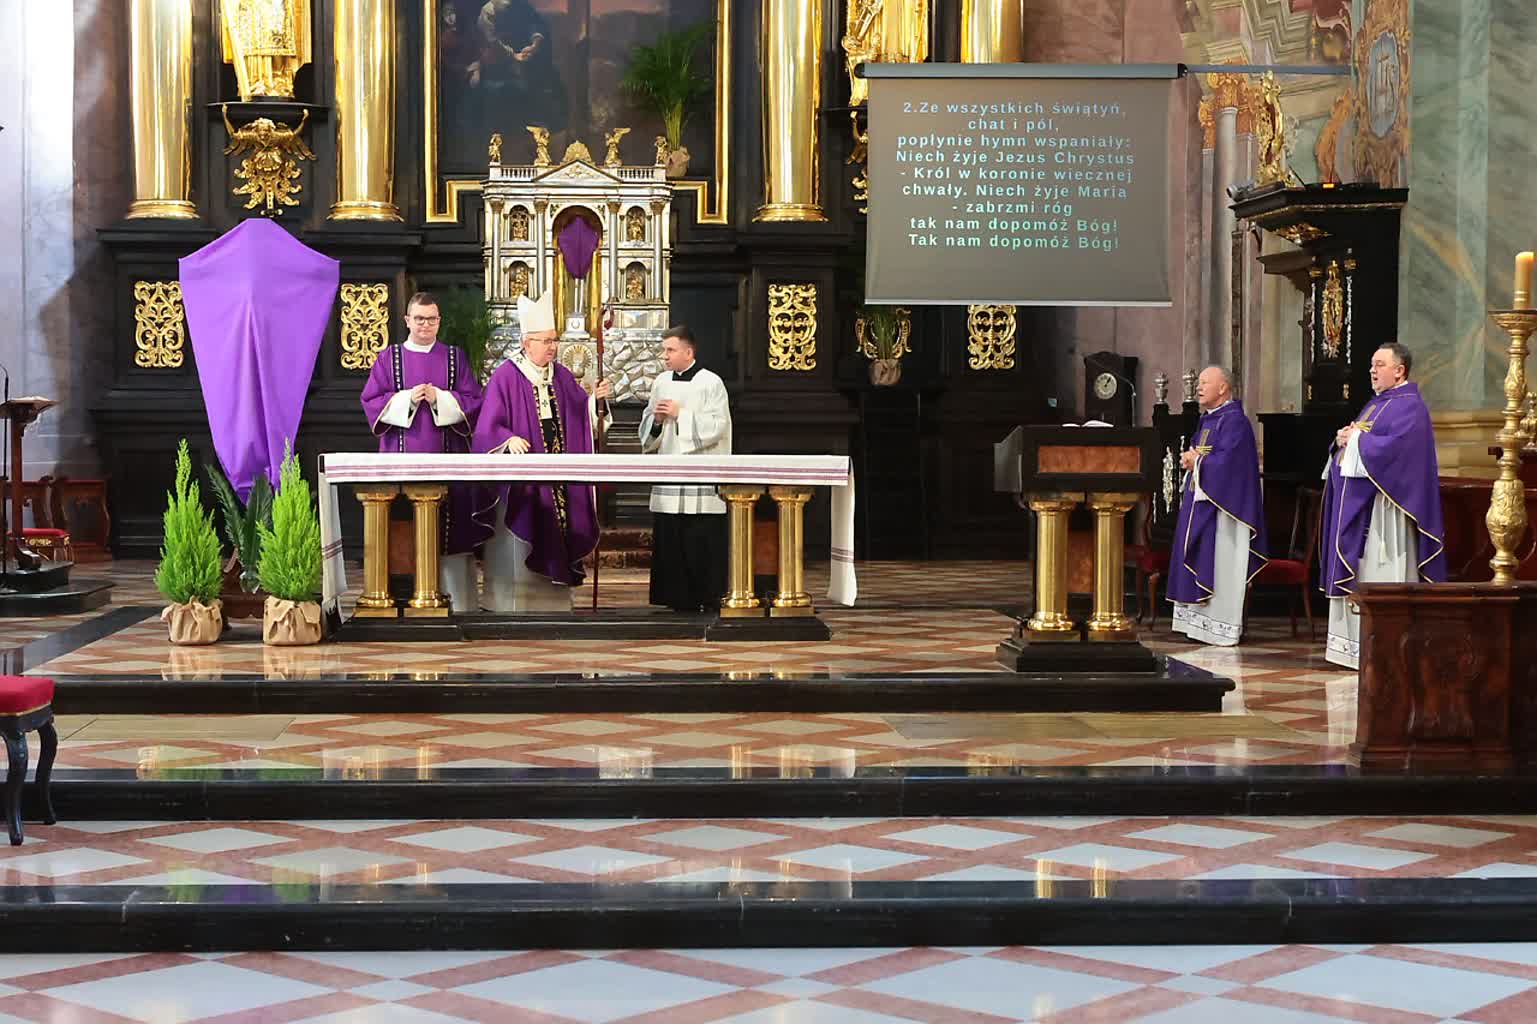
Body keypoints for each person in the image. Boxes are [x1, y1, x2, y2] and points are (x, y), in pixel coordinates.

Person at [472, 290, 610, 612]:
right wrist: (507, 439)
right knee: (523, 531)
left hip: (557, 477)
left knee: (557, 531)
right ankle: (511, 602)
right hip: (522, 478)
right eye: (546, 341)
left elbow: (580, 414)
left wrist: (596, 401)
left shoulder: (560, 375)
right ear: (526, 343)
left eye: (554, 340)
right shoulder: (506, 375)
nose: (553, 346)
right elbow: (487, 426)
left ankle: (554, 601)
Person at [1320, 341, 1446, 668]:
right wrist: (1342, 440)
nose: (1372, 371)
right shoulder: (1376, 405)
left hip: (1386, 511)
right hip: (1364, 506)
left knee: (1381, 570)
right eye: (1372, 365)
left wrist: (1357, 440)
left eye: (1380, 365)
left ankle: (1386, 647)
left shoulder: (1410, 407)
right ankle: (1352, 647)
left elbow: (1398, 452)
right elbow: (1361, 441)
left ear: (1399, 370)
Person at [359, 291, 484, 613]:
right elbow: (370, 400)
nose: (425, 325)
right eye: (419, 319)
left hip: (448, 457)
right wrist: (406, 399)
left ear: (439, 321)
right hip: (400, 459)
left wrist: (441, 398)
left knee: (449, 525)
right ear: (407, 320)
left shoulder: (454, 357)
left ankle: (456, 599)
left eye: (431, 319)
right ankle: (400, 593)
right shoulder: (389, 358)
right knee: (401, 523)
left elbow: (474, 400)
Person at [1167, 366, 1268, 645]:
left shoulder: (1235, 422)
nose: (1198, 388)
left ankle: (1220, 628)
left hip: (1225, 512)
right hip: (1201, 504)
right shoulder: (1209, 419)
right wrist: (1192, 459)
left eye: (1204, 383)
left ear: (1223, 388)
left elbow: (1231, 466)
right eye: (1198, 383)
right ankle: (1197, 625)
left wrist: (1197, 461)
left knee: (1220, 565)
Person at [639, 326, 732, 613]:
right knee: (671, 537)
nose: (665, 356)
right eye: (664, 350)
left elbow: (718, 426)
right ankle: (675, 597)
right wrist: (656, 421)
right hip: (670, 472)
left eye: (671, 350)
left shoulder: (711, 382)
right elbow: (648, 430)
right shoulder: (661, 382)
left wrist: (681, 415)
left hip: (701, 476)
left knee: (700, 537)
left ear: (688, 352)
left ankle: (707, 595)